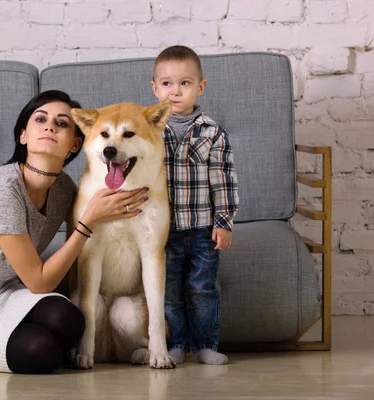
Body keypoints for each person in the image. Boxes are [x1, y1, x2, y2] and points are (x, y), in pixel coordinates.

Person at [0, 90, 148, 374]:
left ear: (76, 143)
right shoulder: (1, 191)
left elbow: (97, 233)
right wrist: (89, 221)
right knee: (42, 352)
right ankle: (5, 341)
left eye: (62, 123)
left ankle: (11, 335)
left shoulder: (63, 189)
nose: (50, 126)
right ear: (23, 135)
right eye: (40, 119)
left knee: (70, 319)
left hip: (4, 291)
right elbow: (40, 283)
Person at [150, 46, 239, 365]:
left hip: (203, 230)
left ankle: (205, 345)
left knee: (202, 288)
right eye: (167, 84)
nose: (175, 91)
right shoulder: (149, 131)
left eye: (185, 83)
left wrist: (223, 222)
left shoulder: (212, 133)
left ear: (200, 87)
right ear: (155, 88)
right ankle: (178, 344)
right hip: (163, 231)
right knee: (169, 290)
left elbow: (224, 180)